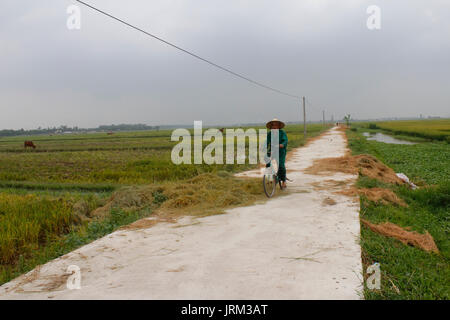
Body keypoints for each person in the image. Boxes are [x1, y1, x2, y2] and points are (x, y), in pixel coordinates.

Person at [265, 118, 288, 189]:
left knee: (281, 165)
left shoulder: (282, 133)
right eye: (273, 125)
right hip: (272, 150)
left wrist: (282, 144)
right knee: (268, 164)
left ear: (278, 126)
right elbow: (266, 142)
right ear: (271, 126)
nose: (274, 126)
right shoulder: (269, 134)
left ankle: (284, 180)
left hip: (281, 151)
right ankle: (270, 178)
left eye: (276, 125)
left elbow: (285, 140)